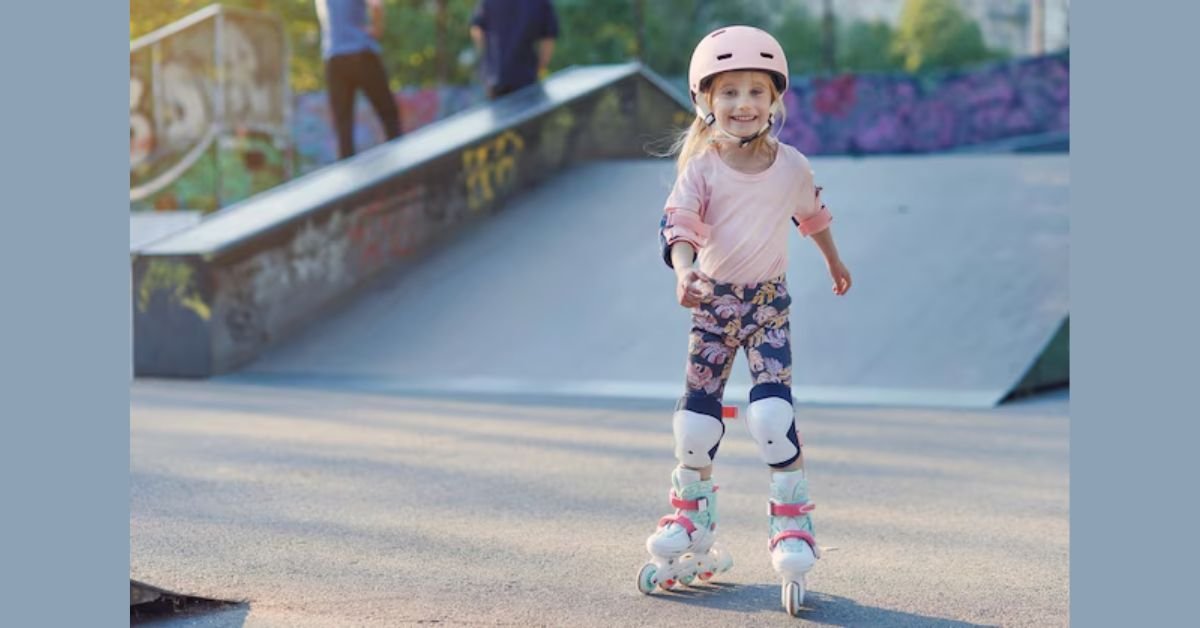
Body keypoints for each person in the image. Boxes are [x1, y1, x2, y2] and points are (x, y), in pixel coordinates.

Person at [635, 26, 852, 615]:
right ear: (706, 100)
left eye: (756, 90)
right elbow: (677, 222)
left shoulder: (792, 166)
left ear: (775, 100)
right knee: (695, 425)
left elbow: (813, 216)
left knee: (772, 416)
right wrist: (683, 271)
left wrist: (833, 261)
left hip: (767, 308)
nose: (743, 103)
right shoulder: (702, 169)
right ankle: (691, 517)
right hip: (711, 306)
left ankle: (792, 522)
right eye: (728, 92)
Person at [314, 0, 402, 159]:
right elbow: (376, 5)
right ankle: (404, 175)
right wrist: (377, 28)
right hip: (362, 53)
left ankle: (348, 179)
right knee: (388, 114)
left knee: (343, 125)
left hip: (334, 58)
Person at [468, 0, 559, 100]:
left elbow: (477, 30)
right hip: (527, 76)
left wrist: (489, 56)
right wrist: (540, 67)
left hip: (495, 77)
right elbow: (548, 39)